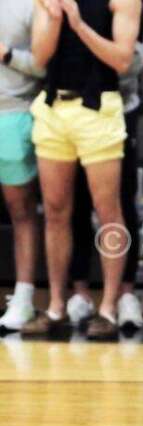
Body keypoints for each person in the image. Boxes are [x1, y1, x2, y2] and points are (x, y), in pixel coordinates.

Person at [22, 0, 141, 339]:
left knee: (108, 212)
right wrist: (55, 18)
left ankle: (108, 306)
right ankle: (57, 304)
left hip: (99, 107)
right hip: (54, 107)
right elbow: (40, 56)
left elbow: (121, 59)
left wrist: (78, 23)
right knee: (56, 210)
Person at [66, 8, 143, 331]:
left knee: (120, 205)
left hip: (117, 107)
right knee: (76, 204)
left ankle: (125, 293)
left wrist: (88, 37)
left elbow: (132, 60)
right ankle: (80, 290)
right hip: (72, 108)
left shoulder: (127, 6)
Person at [0, 0, 45, 331]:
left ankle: (24, 297)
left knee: (21, 212)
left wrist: (7, 55)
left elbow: (45, 66)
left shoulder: (32, 5)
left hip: (13, 115)